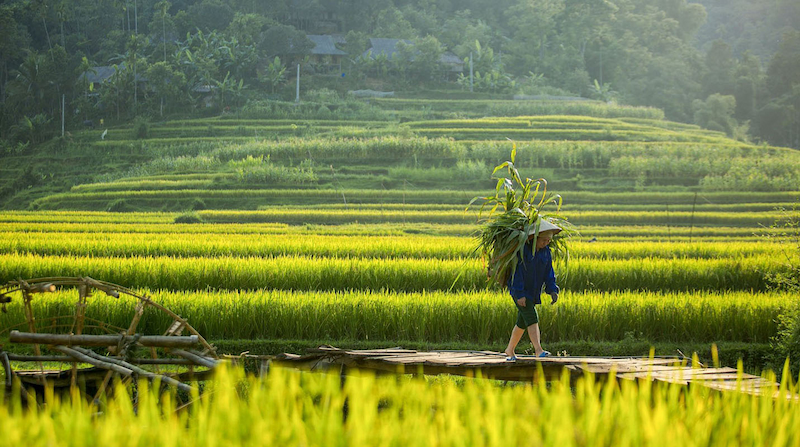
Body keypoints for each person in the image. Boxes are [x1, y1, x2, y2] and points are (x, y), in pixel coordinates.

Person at [503, 219, 561, 360]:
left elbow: (549, 272)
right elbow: (517, 274)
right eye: (543, 240)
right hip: (520, 292)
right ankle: (538, 350)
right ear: (535, 238)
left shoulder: (545, 252)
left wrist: (552, 289)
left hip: (534, 292)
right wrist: (520, 294)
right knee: (532, 317)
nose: (546, 243)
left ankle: (509, 350)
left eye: (548, 241)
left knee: (522, 322)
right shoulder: (523, 251)